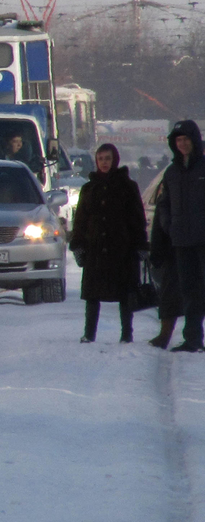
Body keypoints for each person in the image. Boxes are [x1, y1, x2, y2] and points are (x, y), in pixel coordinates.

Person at [69, 143, 146, 344]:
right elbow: (81, 220)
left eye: (108, 158)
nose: (104, 163)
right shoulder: (89, 188)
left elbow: (137, 218)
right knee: (92, 294)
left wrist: (140, 245)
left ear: (115, 160)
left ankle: (127, 334)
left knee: (125, 293)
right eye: (101, 158)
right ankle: (89, 333)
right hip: (95, 248)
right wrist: (78, 244)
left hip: (122, 249)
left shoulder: (128, 187)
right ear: (96, 161)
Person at [157, 119, 205, 352]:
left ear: (194, 140)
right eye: (178, 140)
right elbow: (163, 204)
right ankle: (193, 339)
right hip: (182, 242)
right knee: (189, 291)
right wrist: (169, 225)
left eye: (186, 139)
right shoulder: (172, 172)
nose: (182, 144)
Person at [148, 184, 183, 348]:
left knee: (195, 294)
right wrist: (156, 248)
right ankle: (165, 333)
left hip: (197, 242)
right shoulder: (172, 174)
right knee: (169, 293)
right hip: (173, 244)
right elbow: (161, 211)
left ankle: (193, 336)